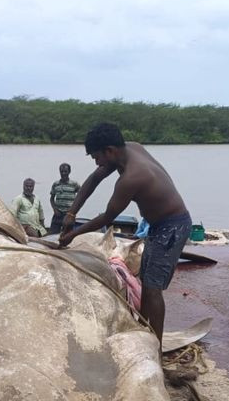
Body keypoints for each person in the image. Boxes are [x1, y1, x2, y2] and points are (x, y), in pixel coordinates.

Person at [59, 123, 192, 343]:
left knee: (152, 288)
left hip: (173, 227)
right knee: (145, 280)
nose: (97, 162)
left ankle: (154, 346)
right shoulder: (129, 149)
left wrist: (72, 235)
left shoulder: (131, 178)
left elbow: (107, 217)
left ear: (110, 151)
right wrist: (72, 212)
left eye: (96, 157)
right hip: (158, 225)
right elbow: (94, 179)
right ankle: (143, 329)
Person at [49, 163, 80, 234]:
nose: (63, 173)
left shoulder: (74, 184)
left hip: (69, 214)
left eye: (65, 171)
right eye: (61, 171)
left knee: (68, 234)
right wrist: (55, 209)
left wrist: (73, 210)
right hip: (58, 214)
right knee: (52, 234)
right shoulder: (56, 184)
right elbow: (51, 199)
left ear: (69, 172)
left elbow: (80, 197)